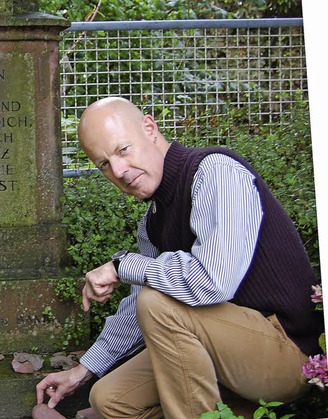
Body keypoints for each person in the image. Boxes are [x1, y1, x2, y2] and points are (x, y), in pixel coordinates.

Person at [35, 97, 324, 418]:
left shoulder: (217, 172)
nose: (117, 170)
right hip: (222, 351)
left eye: (122, 150)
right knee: (108, 399)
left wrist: (124, 265)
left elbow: (214, 281)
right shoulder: (154, 222)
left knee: (157, 303)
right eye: (103, 164)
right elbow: (136, 309)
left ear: (149, 128)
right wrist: (83, 371)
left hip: (286, 353)